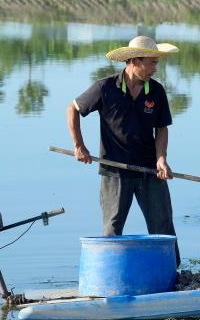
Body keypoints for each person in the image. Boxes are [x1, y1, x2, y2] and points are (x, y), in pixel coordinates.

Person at [66, 35, 181, 264]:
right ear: (135, 61)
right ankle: (109, 273)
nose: (155, 69)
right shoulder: (105, 87)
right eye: (152, 63)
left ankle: (172, 272)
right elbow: (73, 109)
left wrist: (161, 159)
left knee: (163, 225)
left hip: (150, 171)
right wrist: (79, 145)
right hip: (115, 170)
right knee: (112, 227)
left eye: (156, 63)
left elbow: (161, 128)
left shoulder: (156, 92)